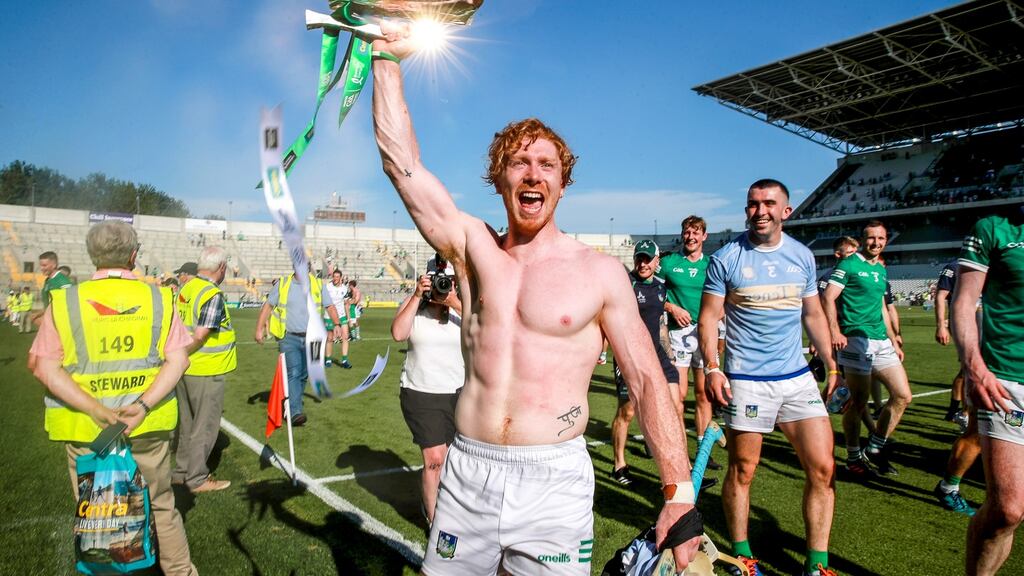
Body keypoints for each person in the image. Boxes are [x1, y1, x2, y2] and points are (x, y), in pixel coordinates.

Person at [370, 24, 701, 574]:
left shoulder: (598, 272)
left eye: (546, 164)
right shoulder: (471, 248)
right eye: (518, 163)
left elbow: (646, 377)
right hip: (468, 471)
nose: (533, 174)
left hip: (555, 479)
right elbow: (401, 165)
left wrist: (679, 489)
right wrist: (384, 58)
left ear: (563, 182)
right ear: (498, 179)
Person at [29, 220, 197, 575]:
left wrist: (94, 408)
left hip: (86, 428)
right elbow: (178, 359)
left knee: (98, 512)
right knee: (162, 507)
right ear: (134, 255)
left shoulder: (65, 301)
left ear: (92, 257)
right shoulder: (159, 297)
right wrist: (142, 405)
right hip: (146, 425)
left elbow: (44, 367)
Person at [698, 179, 839, 576]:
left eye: (769, 204)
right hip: (747, 380)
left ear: (786, 211)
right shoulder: (727, 258)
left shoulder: (802, 256)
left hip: (796, 378)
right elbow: (708, 319)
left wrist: (830, 364)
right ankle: (742, 555)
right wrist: (712, 366)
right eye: (753, 204)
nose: (760, 211)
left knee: (823, 468)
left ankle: (817, 564)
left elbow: (812, 314)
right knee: (743, 470)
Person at [956, 210, 1024, 575]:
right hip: (1006, 380)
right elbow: (964, 302)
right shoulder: (996, 230)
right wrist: (974, 367)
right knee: (1008, 509)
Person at [822, 221, 911, 477]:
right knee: (858, 403)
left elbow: (882, 308)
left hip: (881, 341)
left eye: (881, 238)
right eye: (872, 238)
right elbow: (828, 298)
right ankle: (852, 457)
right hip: (856, 340)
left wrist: (893, 337)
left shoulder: (881, 270)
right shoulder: (849, 264)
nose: (877, 243)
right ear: (864, 240)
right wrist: (835, 331)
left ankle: (875, 445)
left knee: (903, 396)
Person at [391, 256, 464, 524]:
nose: (441, 287)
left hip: (458, 394)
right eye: (436, 282)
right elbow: (398, 334)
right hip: (420, 393)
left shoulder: (461, 310)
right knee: (435, 459)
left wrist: (454, 301)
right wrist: (415, 296)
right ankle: (434, 519)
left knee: (456, 460)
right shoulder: (415, 309)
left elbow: (487, 330)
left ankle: (452, 506)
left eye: (447, 282)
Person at [611, 239, 681, 486]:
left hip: (659, 356)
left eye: (647, 259)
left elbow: (660, 324)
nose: (642, 263)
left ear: (656, 261)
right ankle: (619, 464)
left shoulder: (661, 287)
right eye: (639, 258)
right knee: (627, 411)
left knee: (675, 407)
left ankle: (680, 468)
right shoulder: (625, 284)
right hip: (629, 355)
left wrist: (669, 357)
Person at [657, 215, 719, 470]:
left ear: (704, 236)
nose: (691, 237)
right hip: (677, 334)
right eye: (687, 232)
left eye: (696, 233)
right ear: (682, 235)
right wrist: (671, 307)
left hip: (704, 334)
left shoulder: (712, 264)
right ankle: (677, 446)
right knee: (678, 395)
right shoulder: (669, 262)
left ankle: (703, 450)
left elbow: (723, 297)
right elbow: (649, 291)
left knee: (704, 394)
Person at [172, 246, 235, 493]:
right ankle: (197, 477)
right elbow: (200, 336)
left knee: (187, 425)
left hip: (185, 370)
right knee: (205, 426)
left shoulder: (186, 288)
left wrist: (176, 360)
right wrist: (181, 355)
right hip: (206, 369)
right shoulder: (211, 294)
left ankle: (181, 472)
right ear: (221, 268)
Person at [254, 268, 344, 425]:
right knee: (294, 372)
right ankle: (294, 410)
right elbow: (268, 306)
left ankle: (292, 402)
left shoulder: (317, 284)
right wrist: (259, 329)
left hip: (313, 338)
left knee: (304, 373)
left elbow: (329, 306)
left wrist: (337, 324)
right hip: (289, 338)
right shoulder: (283, 284)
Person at [936, 261, 970, 428]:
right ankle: (964, 413)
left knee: (966, 371)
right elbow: (941, 295)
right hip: (966, 325)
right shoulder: (953, 267)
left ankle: (956, 412)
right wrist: (941, 325)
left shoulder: (989, 267)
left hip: (988, 325)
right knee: (968, 370)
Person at [34, 251, 71, 326]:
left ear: (54, 265)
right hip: (50, 321)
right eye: (40, 265)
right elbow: (50, 304)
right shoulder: (47, 280)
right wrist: (39, 314)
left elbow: (68, 306)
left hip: (60, 324)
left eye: (44, 265)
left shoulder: (63, 281)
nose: (41, 268)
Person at [324, 269, 352, 369]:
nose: (335, 279)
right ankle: (328, 359)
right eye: (334, 276)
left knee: (345, 337)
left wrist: (349, 318)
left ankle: (344, 360)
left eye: (337, 277)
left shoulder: (345, 289)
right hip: (329, 316)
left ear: (340, 278)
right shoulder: (327, 287)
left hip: (342, 316)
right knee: (330, 338)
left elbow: (346, 304)